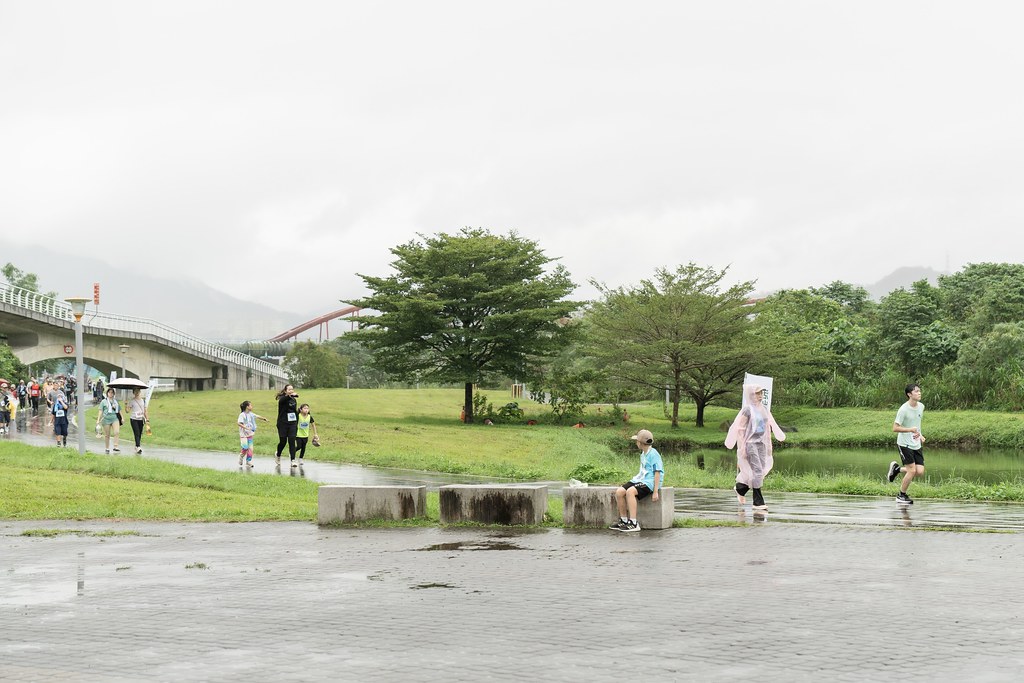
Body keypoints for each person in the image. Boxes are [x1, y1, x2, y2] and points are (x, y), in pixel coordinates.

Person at [725, 384, 786, 512]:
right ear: (751, 395)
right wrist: (742, 447)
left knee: (762, 470)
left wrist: (775, 439)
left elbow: (770, 424)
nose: (760, 396)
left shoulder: (763, 409)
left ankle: (740, 488)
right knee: (757, 471)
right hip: (750, 443)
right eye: (757, 393)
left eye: (761, 393)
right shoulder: (747, 410)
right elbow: (740, 430)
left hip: (761, 443)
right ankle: (758, 502)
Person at [609, 429, 664, 532]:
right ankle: (624, 520)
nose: (636, 443)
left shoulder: (653, 454)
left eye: (636, 441)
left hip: (650, 482)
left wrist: (655, 491)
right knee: (620, 491)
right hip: (641, 479)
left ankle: (634, 523)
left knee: (630, 492)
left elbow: (657, 472)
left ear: (640, 442)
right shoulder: (643, 454)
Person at [887, 383, 925, 505]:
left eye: (919, 391)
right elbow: (895, 428)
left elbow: (917, 424)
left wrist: (920, 435)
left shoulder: (921, 407)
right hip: (904, 443)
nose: (919, 393)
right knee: (912, 471)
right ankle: (901, 495)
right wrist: (909, 430)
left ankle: (897, 469)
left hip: (915, 443)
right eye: (916, 391)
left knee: (920, 471)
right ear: (909, 394)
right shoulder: (903, 409)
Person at [237, 400, 269, 468]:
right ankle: (241, 456)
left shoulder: (251, 414)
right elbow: (239, 423)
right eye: (250, 405)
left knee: (250, 449)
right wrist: (245, 427)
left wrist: (264, 419)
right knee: (245, 447)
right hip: (243, 435)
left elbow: (257, 416)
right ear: (247, 407)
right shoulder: (242, 415)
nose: (252, 406)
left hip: (250, 434)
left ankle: (248, 461)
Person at [274, 384, 299, 466]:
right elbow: (282, 401)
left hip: (292, 424)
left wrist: (296, 422)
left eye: (292, 389)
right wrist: (290, 395)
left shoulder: (293, 400)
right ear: (285, 391)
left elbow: (294, 411)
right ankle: (278, 454)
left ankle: (293, 460)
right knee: (283, 442)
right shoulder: (283, 399)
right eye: (289, 389)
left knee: (292, 441)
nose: (291, 391)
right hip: (283, 423)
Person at [96, 387, 122, 454]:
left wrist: (122, 417)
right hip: (106, 419)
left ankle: (115, 446)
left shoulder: (115, 401)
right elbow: (100, 411)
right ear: (107, 393)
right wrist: (98, 419)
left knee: (116, 432)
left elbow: (119, 410)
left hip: (114, 418)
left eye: (112, 392)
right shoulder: (103, 401)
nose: (110, 394)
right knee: (107, 434)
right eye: (109, 392)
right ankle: (107, 448)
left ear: (113, 394)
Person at [126, 388, 150, 455]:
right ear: (133, 393)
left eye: (138, 391)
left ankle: (136, 446)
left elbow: (145, 411)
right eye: (135, 391)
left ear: (140, 392)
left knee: (140, 433)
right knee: (136, 433)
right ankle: (138, 447)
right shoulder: (132, 401)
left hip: (141, 419)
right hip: (134, 419)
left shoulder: (143, 401)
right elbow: (127, 411)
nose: (137, 393)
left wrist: (147, 419)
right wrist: (126, 405)